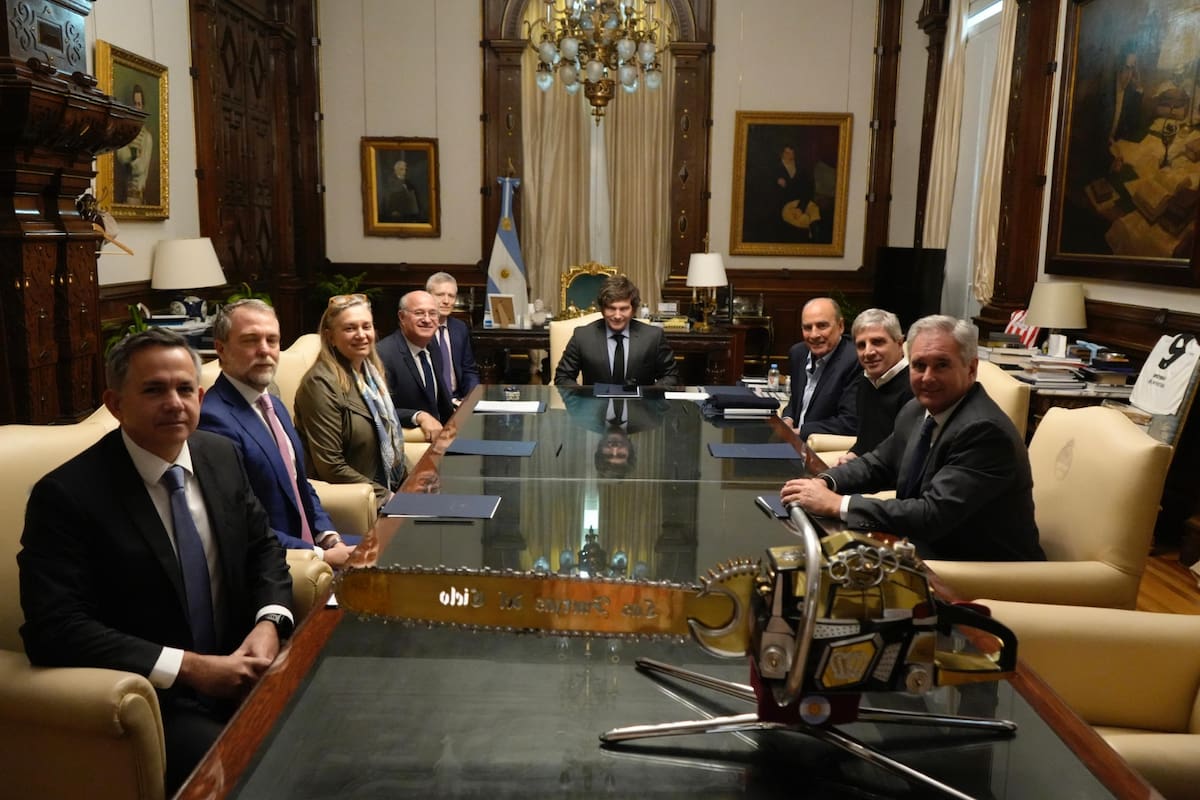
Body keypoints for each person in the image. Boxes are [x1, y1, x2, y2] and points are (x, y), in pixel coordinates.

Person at [18, 328, 293, 794]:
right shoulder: (67, 495)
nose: (174, 402)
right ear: (115, 403)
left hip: (246, 665)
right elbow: (54, 627)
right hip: (157, 698)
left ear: (201, 395)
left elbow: (263, 548)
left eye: (185, 389)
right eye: (153, 390)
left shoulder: (220, 455)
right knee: (250, 773)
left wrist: (268, 624)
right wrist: (191, 668)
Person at [781, 315, 1044, 562]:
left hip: (979, 570)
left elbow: (931, 515)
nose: (928, 377)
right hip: (923, 547)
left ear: (971, 368)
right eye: (919, 365)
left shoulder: (984, 431)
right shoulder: (918, 409)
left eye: (941, 365)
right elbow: (879, 463)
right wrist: (826, 482)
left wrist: (838, 504)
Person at [199, 299, 356, 567]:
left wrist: (328, 536)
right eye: (250, 340)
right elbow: (240, 523)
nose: (265, 350)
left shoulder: (273, 403)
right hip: (282, 563)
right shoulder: (214, 420)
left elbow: (299, 484)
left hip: (314, 546)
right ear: (221, 349)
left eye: (272, 340)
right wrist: (320, 556)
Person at [293, 294, 408, 505]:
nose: (361, 335)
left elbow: (391, 441)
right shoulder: (320, 383)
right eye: (349, 328)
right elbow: (331, 466)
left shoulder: (371, 374)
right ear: (329, 337)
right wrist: (389, 498)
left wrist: (413, 486)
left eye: (367, 326)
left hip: (387, 488)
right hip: (357, 501)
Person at [554, 275, 678, 387]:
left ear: (633, 310)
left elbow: (671, 376)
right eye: (611, 308)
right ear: (602, 309)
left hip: (640, 409)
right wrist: (583, 404)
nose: (617, 316)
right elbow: (563, 377)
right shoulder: (582, 336)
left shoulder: (653, 337)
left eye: (623, 309)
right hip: (595, 409)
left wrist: (649, 399)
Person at [835, 308, 913, 465]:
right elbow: (865, 442)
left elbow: (903, 457)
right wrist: (851, 455)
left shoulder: (915, 386)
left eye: (877, 342)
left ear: (899, 343)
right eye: (861, 345)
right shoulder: (865, 382)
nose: (868, 352)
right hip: (867, 471)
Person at [781, 297, 859, 438]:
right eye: (807, 328)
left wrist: (800, 432)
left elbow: (850, 422)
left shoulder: (854, 360)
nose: (814, 335)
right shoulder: (798, 353)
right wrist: (787, 419)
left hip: (820, 448)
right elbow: (796, 400)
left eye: (822, 326)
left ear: (840, 326)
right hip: (792, 443)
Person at [377, 290, 456, 428]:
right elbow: (379, 409)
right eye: (419, 313)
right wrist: (417, 416)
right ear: (402, 317)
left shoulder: (433, 346)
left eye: (432, 313)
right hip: (409, 438)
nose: (427, 319)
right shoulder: (383, 354)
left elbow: (439, 402)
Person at [425, 271, 480, 404]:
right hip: (431, 404)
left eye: (451, 296)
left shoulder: (460, 328)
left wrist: (471, 399)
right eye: (440, 295)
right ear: (428, 296)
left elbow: (469, 370)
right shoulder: (421, 328)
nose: (446, 301)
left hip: (459, 400)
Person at [115, 84, 154, 205]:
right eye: (134, 104)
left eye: (139, 104)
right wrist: (134, 154)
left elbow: (140, 167)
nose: (137, 108)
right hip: (125, 195)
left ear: (142, 106)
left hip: (138, 196)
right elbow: (121, 155)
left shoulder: (147, 137)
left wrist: (129, 158)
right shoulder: (127, 133)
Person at [382, 157, 422, 222]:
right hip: (396, 214)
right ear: (396, 170)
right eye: (401, 169)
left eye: (405, 169)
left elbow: (414, 198)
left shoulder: (408, 182)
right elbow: (388, 198)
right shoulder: (391, 182)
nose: (404, 171)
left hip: (409, 213)